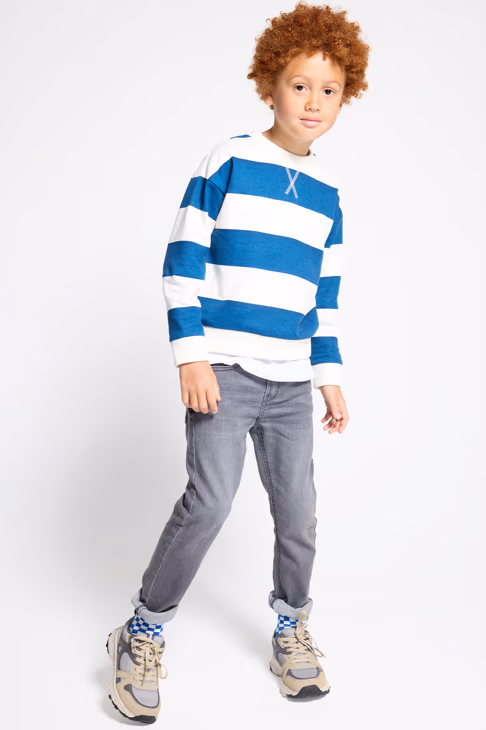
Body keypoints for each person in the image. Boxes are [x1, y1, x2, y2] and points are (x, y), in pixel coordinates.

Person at [106, 1, 370, 721]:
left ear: (345, 98)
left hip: (290, 383)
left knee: (300, 515)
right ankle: (142, 630)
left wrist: (329, 376)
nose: (312, 102)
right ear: (269, 84)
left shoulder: (330, 194)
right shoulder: (228, 159)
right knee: (210, 503)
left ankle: (291, 625)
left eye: (329, 90)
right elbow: (181, 260)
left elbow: (325, 297)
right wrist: (190, 356)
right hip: (221, 371)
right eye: (299, 85)